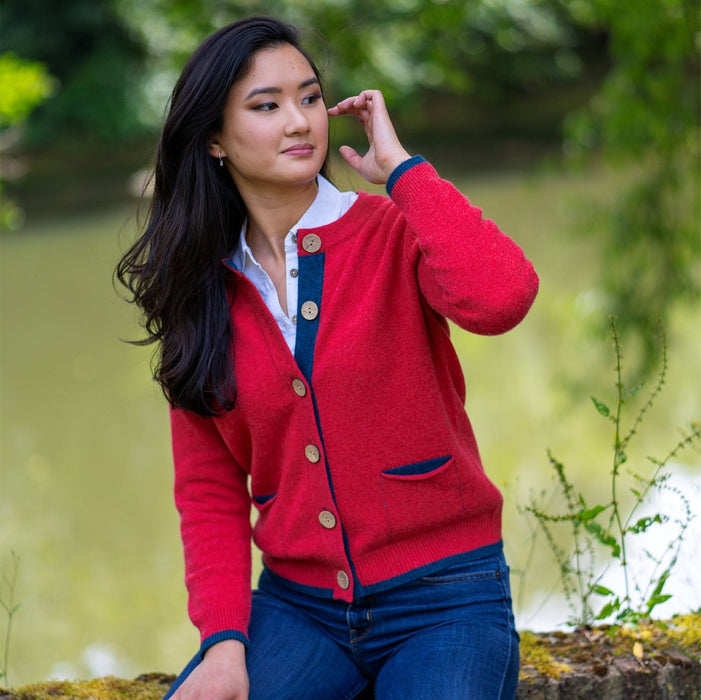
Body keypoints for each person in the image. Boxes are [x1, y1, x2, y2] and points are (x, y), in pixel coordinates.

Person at [117, 15, 539, 700]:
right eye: (266, 105)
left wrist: (403, 173)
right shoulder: (200, 293)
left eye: (309, 97)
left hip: (446, 598)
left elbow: (502, 298)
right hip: (298, 610)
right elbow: (208, 491)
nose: (298, 121)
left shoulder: (390, 233)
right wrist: (223, 642)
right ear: (215, 140)